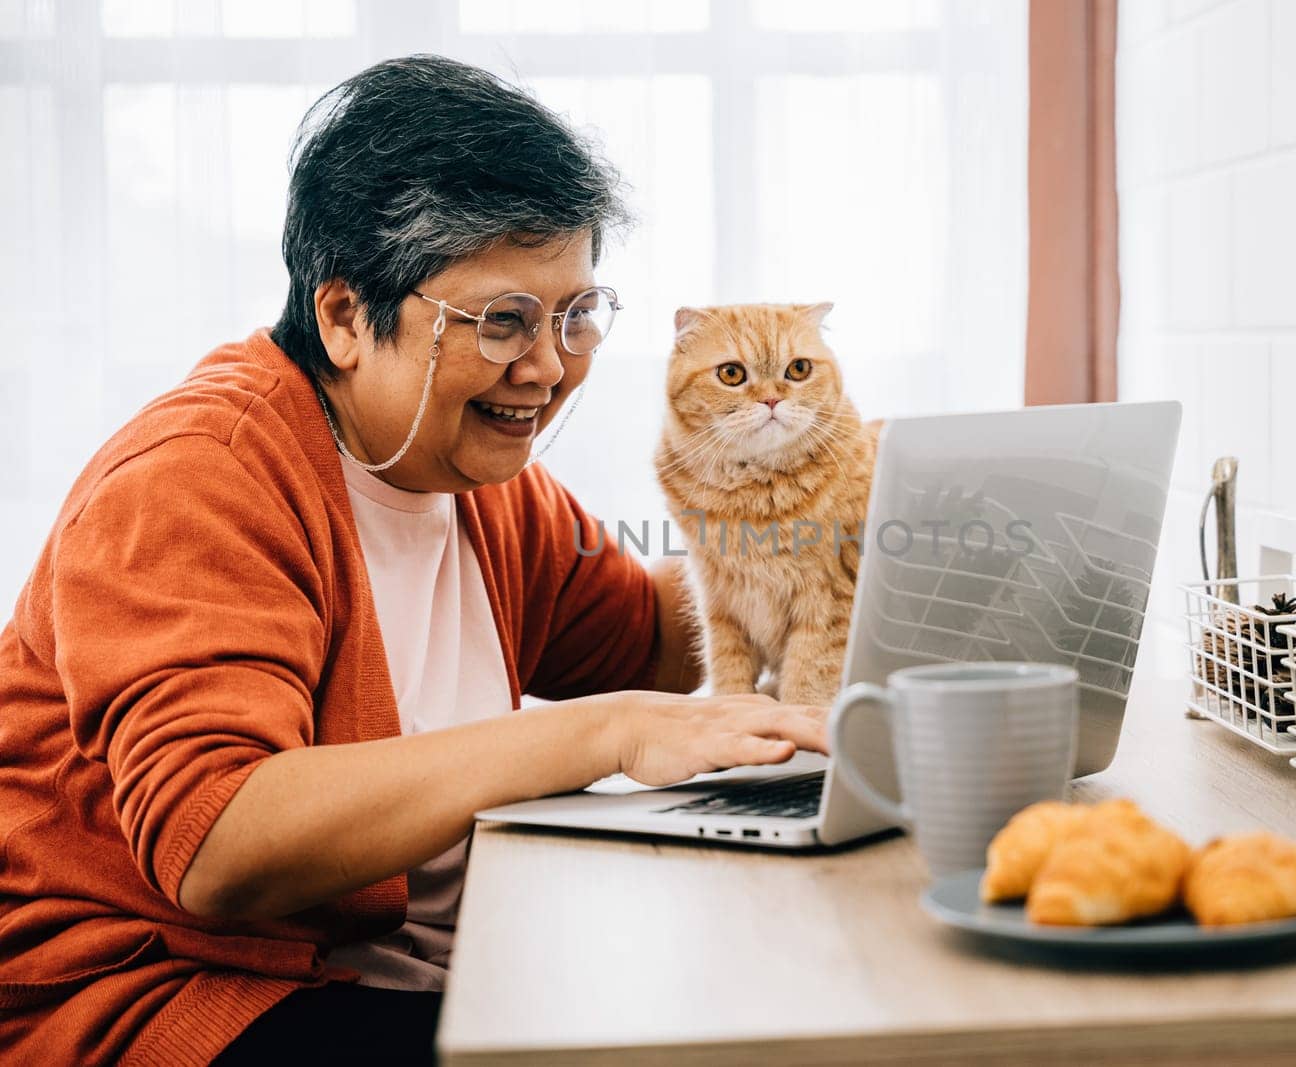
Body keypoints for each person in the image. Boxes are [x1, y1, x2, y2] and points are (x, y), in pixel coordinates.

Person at [0, 55, 827, 1066]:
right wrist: (604, 732)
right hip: (177, 995)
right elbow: (216, 840)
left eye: (575, 315)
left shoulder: (469, 472)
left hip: (406, 962)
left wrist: (825, 542)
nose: (548, 367)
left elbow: (650, 641)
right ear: (347, 316)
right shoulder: (198, 480)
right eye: (502, 321)